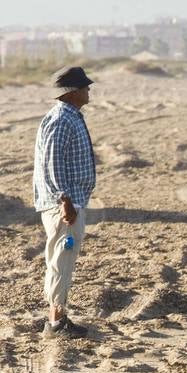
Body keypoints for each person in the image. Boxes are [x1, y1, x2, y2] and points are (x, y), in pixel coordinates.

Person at [33, 65, 96, 338]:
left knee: (63, 258)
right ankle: (56, 323)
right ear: (72, 93)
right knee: (62, 258)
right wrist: (65, 200)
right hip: (64, 205)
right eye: (84, 87)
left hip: (70, 201)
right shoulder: (61, 119)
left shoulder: (69, 115)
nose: (88, 90)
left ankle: (57, 317)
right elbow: (53, 163)